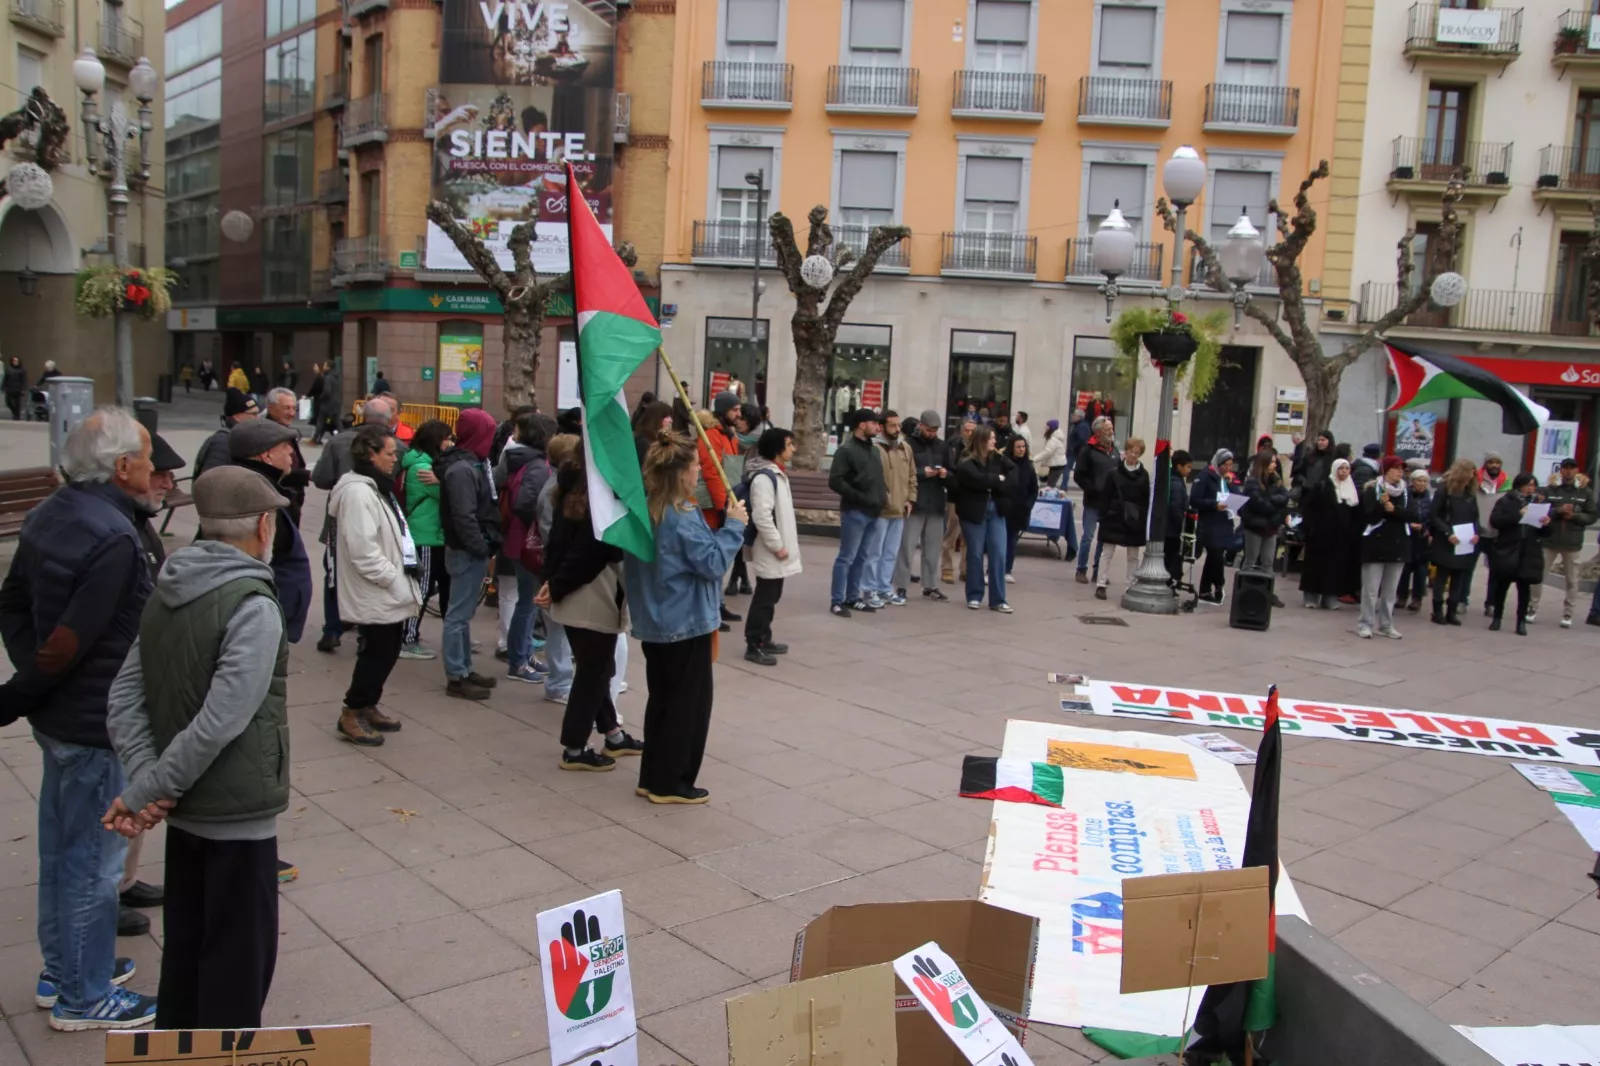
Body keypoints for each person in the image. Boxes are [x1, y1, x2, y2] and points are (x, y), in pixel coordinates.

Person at [104, 466, 291, 1030]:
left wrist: (148, 784)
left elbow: (123, 697)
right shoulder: (253, 604)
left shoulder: (171, 586)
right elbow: (221, 721)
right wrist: (149, 789)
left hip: (187, 815)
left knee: (185, 961)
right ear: (263, 525)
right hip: (237, 816)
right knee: (236, 972)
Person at [0, 407, 159, 1031]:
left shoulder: (54, 511)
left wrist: (35, 682)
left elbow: (13, 606)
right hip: (95, 722)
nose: (153, 468)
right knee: (92, 866)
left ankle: (65, 969)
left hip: (65, 716)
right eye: (146, 457)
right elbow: (68, 641)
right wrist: (26, 687)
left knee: (64, 853)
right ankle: (84, 996)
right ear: (122, 467)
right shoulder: (113, 536)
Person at [625, 431, 746, 804]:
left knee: (662, 701)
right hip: (684, 622)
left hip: (656, 622)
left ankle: (654, 775)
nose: (698, 472)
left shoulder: (644, 509)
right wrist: (734, 526)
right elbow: (711, 563)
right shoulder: (681, 514)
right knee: (686, 707)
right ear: (681, 473)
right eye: (695, 466)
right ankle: (671, 781)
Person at [535, 443, 643, 770]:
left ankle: (612, 733)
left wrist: (552, 582)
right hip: (591, 594)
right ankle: (574, 747)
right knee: (592, 674)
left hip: (576, 590)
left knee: (598, 668)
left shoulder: (572, 486)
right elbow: (589, 554)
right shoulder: (599, 499)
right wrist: (554, 585)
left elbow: (556, 542)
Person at [327, 424, 423, 745]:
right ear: (371, 454)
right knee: (377, 652)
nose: (395, 459)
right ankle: (352, 712)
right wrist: (393, 579)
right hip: (378, 587)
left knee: (388, 650)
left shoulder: (374, 486)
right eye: (390, 453)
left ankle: (367, 704)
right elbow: (363, 550)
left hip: (386, 585)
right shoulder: (357, 492)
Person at [228, 420, 313, 645]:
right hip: (261, 621)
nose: (291, 452)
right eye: (285, 446)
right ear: (266, 456)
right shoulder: (257, 498)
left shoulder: (264, 487)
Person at [436, 408, 501, 699]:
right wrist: (481, 547)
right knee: (458, 615)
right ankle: (456, 675)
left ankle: (463, 668)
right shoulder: (463, 469)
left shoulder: (469, 463)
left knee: (461, 614)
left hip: (469, 547)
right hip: (466, 549)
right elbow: (464, 516)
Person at [497, 410, 553, 683]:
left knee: (527, 602)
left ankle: (525, 653)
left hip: (519, 541)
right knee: (527, 604)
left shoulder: (520, 460)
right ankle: (518, 660)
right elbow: (526, 503)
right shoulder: (537, 466)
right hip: (527, 544)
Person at [744, 427, 800, 665]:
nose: (793, 449)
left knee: (772, 595)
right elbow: (762, 516)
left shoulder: (777, 474)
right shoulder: (764, 478)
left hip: (777, 549)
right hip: (770, 550)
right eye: (789, 445)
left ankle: (764, 637)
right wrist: (777, 546)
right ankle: (754, 643)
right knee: (764, 598)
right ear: (777, 448)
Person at [400, 420, 453, 659]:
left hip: (434, 535)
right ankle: (407, 638)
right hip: (426, 536)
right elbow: (450, 493)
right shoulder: (422, 467)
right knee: (421, 589)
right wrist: (444, 481)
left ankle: (453, 635)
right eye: (446, 438)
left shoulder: (428, 463)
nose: (450, 443)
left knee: (442, 588)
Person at [828, 408, 888, 616]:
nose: (877, 426)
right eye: (873, 423)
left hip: (873, 512)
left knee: (862, 557)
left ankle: (853, 597)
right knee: (847, 557)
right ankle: (837, 600)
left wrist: (881, 499)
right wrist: (858, 497)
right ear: (862, 425)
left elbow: (876, 479)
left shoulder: (873, 450)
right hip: (855, 511)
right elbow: (835, 480)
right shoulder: (846, 450)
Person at [534, 434, 579, 703]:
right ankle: (559, 682)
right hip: (554, 569)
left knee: (559, 629)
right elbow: (553, 535)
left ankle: (560, 679)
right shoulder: (553, 493)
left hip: (555, 568)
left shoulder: (556, 489)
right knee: (558, 629)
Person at [953, 424, 1014, 612]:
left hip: (996, 510)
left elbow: (1013, 475)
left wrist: (998, 483)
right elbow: (977, 480)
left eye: (995, 438)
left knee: (998, 553)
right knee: (975, 553)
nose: (995, 441)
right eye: (991, 438)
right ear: (981, 441)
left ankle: (998, 599)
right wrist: (998, 479)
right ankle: (974, 594)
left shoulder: (999, 458)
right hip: (973, 512)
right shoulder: (966, 461)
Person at [697, 392, 744, 629]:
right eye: (735, 410)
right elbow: (712, 471)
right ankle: (712, 607)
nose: (739, 414)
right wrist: (723, 504)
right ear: (724, 410)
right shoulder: (712, 436)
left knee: (722, 559)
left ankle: (718, 604)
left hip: (724, 503)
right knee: (714, 560)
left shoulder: (728, 435)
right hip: (713, 509)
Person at [1357, 456, 1416, 640]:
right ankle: (1365, 624)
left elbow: (1413, 514)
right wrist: (1381, 505)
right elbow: (1369, 517)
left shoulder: (1406, 492)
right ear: (1387, 470)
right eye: (1396, 468)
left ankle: (1386, 624)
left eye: (1402, 469)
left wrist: (1394, 510)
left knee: (1390, 591)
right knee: (1371, 589)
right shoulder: (1372, 490)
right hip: (1376, 545)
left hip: (1398, 545)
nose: (1400, 472)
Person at [1532, 458, 1596, 627]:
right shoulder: (1550, 488)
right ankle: (1532, 609)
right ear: (1560, 470)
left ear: (1577, 470)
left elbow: (1592, 516)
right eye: (1565, 468)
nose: (1568, 471)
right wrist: (1557, 511)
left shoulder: (1585, 491)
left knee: (1572, 580)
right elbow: (1540, 510)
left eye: (1572, 468)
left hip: (1572, 542)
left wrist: (1575, 516)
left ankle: (1568, 614)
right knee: (1538, 577)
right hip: (1549, 540)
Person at [1488, 473, 1551, 634]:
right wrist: (1518, 515)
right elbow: (1495, 521)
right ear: (1519, 485)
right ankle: (1497, 618)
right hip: (1508, 548)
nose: (1531, 488)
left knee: (1524, 588)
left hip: (1528, 551)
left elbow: (1546, 533)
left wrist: (1546, 524)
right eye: (1527, 485)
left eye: (1533, 485)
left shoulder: (1538, 503)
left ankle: (1521, 621)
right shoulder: (1505, 501)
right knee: (1502, 586)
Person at [898, 410, 951, 601]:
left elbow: (952, 473)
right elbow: (903, 473)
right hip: (915, 502)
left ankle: (930, 585)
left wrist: (945, 474)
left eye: (935, 430)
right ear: (920, 425)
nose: (932, 433)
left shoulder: (942, 447)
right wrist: (922, 473)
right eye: (929, 430)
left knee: (933, 548)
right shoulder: (907, 445)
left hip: (936, 503)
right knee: (907, 547)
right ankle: (901, 585)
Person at [1092, 437, 1149, 601]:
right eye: (1131, 451)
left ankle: (1130, 585)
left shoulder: (1143, 475)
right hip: (1114, 516)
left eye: (1137, 453)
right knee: (1107, 552)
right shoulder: (1114, 473)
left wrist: (1141, 517)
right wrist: (1104, 515)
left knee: (1133, 555)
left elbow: (1145, 499)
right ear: (1126, 451)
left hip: (1133, 518)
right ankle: (1101, 584)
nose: (1133, 455)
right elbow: (1106, 496)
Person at [1299, 457, 1359, 610]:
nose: (1344, 472)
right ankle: (1311, 597)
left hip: (1341, 537)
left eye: (1347, 469)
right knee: (1316, 566)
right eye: (1341, 468)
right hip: (1320, 534)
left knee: (1336, 568)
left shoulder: (1351, 490)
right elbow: (1308, 506)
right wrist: (1310, 527)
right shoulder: (1322, 486)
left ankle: (1330, 598)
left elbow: (1354, 513)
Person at [867, 411, 913, 607]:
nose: (897, 429)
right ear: (882, 426)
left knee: (890, 553)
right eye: (892, 425)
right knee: (874, 552)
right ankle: (869, 590)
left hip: (900, 509)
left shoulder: (905, 448)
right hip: (881, 509)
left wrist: (910, 499)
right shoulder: (874, 448)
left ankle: (884, 588)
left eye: (898, 425)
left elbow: (912, 477)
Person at [1427, 458, 1480, 626]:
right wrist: (1447, 532)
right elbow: (1434, 515)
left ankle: (1452, 611)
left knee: (1459, 576)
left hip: (1465, 540)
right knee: (1442, 576)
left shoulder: (1470, 494)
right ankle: (1437, 611)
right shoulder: (1444, 491)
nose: (1472, 475)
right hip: (1447, 538)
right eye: (1470, 472)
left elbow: (1475, 517)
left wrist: (1476, 532)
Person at [1240, 452, 1290, 608]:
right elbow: (1257, 503)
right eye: (1272, 462)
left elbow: (1285, 496)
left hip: (1270, 527)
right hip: (1255, 526)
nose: (1275, 465)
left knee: (1268, 562)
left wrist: (1273, 503)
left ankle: (1268, 593)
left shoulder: (1275, 480)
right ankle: (1244, 591)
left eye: (1275, 462)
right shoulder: (1252, 482)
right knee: (1251, 560)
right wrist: (1275, 507)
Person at [1074, 416, 1119, 586]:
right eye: (1108, 429)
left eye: (1111, 428)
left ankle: (1098, 572)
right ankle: (1081, 569)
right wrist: (1092, 488)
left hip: (1109, 503)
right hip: (1093, 501)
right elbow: (1079, 475)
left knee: (1104, 539)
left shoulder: (1114, 451)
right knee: (1088, 536)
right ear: (1098, 432)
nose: (1111, 431)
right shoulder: (1088, 449)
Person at [1191, 449, 1237, 605]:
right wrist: (1214, 505)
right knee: (1216, 554)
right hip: (1210, 523)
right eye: (1225, 465)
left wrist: (1231, 484)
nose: (1228, 468)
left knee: (1214, 557)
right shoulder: (1205, 476)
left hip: (1225, 522)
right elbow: (1195, 500)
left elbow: (1235, 496)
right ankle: (1218, 584)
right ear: (1218, 463)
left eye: (1230, 465)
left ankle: (1205, 589)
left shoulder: (1226, 478)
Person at [263, 388, 310, 527]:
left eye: (293, 408)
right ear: (271, 409)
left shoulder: (284, 430)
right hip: (278, 500)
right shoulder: (266, 433)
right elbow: (273, 470)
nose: (291, 413)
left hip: (292, 498)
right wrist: (307, 475)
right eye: (286, 408)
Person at [1474, 451, 1513, 614]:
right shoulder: (1474, 481)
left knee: (1496, 571)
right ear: (1485, 464)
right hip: (1476, 531)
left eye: (1497, 462)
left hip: (1497, 532)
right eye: (1491, 462)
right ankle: (1462, 599)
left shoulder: (1507, 484)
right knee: (1466, 568)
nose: (1494, 465)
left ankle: (1490, 603)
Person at [941, 419, 976, 584]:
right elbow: (950, 469)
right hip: (956, 495)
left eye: (973, 431)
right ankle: (947, 568)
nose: (970, 434)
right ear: (962, 431)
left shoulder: (980, 448)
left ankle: (965, 569)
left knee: (968, 536)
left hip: (973, 497)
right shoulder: (953, 446)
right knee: (952, 532)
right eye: (967, 430)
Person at [194, 389, 259, 477]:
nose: (258, 418)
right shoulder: (223, 442)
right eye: (254, 414)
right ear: (237, 417)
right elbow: (210, 480)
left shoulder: (239, 439)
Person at [1397, 468, 1434, 612]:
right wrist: (1409, 524)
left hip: (1422, 539)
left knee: (1421, 571)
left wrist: (1425, 527)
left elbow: (1432, 517)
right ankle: (1402, 596)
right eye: (1419, 480)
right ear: (1412, 482)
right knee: (1404, 569)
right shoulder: (1405, 496)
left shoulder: (1430, 499)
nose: (1422, 484)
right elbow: (1401, 513)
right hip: (1407, 536)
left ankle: (1417, 598)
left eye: (1424, 481)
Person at [1003, 435, 1039, 581]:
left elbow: (1034, 489)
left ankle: (1007, 570)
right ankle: (991, 570)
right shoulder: (1004, 463)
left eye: (1023, 447)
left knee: (1012, 541)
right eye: (1018, 447)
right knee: (999, 541)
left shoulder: (1029, 466)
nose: (1021, 450)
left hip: (1019, 510)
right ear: (1012, 448)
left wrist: (1028, 506)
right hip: (1004, 508)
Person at [1165, 450, 1194, 588]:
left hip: (1171, 529)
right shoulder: (1176, 483)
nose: (1190, 470)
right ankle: (1170, 584)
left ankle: (1171, 582)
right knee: (1172, 559)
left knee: (1171, 559)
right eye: (1187, 467)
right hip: (1173, 530)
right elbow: (1175, 508)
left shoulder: (1176, 480)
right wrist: (1183, 525)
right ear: (1179, 467)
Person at [1292, 430, 1336, 496]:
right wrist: (1302, 481)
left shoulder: (1333, 457)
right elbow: (1299, 471)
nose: (1320, 442)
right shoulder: (1310, 456)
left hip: (1324, 494)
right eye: (1319, 440)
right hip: (1307, 492)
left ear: (1329, 441)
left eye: (1323, 440)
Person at [1034, 418, 1069, 487]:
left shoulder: (1054, 439)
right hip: (1057, 465)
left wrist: (1035, 459)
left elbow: (1047, 452)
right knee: (1050, 484)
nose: (1045, 428)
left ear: (1051, 428)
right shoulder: (1054, 437)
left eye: (1047, 426)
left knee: (1050, 485)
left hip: (1057, 465)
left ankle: (1050, 497)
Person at [306, 364, 328, 444]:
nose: (314, 369)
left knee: (319, 421)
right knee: (321, 421)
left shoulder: (320, 378)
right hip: (322, 402)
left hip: (319, 402)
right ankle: (317, 438)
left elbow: (314, 389)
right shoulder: (325, 377)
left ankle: (316, 439)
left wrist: (307, 395)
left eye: (315, 367)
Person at [4, 355, 26, 420]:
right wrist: (4, 387)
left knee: (17, 403)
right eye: (14, 360)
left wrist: (23, 388)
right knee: (8, 402)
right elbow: (5, 379)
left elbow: (24, 380)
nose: (15, 362)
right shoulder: (8, 369)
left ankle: (17, 416)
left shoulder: (21, 370)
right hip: (10, 388)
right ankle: (14, 412)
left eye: (16, 360)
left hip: (18, 388)